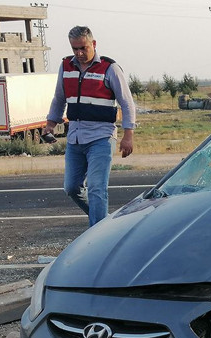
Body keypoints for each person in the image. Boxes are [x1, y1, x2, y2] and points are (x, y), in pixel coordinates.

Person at [43, 25, 135, 227]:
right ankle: (104, 222)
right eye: (75, 48)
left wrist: (128, 135)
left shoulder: (110, 68)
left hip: (101, 138)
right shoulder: (66, 66)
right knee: (71, 187)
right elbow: (59, 98)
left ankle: (98, 231)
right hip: (75, 137)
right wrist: (50, 123)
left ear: (93, 44)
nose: (79, 53)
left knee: (96, 187)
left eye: (83, 48)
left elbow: (127, 103)